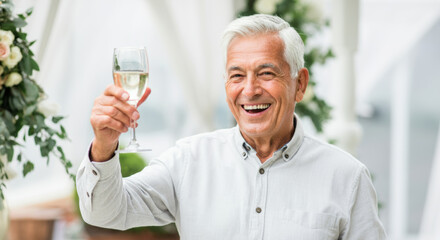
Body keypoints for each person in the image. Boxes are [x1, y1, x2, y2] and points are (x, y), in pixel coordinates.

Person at [76, 14, 387, 239]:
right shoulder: (188, 160)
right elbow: (105, 212)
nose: (249, 90)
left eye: (266, 73)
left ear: (300, 84)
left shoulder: (347, 178)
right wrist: (104, 146)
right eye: (237, 75)